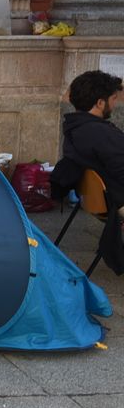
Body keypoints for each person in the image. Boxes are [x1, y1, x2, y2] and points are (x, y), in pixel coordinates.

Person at [55, 70, 124, 274]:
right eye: (113, 99)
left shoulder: (75, 128)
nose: (115, 104)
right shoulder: (98, 133)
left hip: (101, 197)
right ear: (100, 103)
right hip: (116, 200)